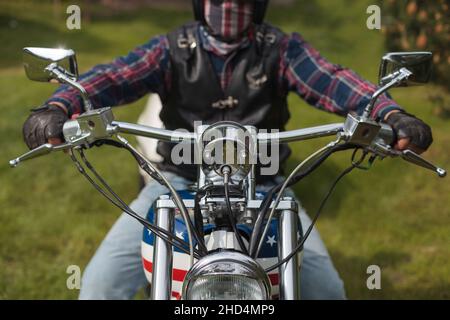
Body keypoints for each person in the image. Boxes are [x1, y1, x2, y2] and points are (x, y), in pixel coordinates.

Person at [22, 0, 433, 299]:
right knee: (98, 286)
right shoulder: (171, 48)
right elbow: (114, 76)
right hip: (176, 181)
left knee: (328, 292)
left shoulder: (281, 49)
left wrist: (389, 112)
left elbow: (332, 80)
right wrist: (60, 105)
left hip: (266, 184)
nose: (228, 6)